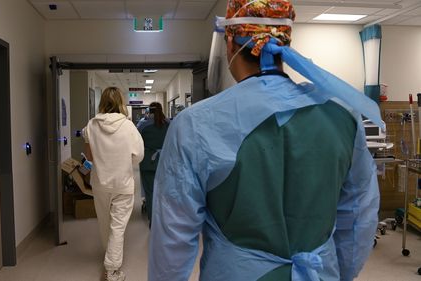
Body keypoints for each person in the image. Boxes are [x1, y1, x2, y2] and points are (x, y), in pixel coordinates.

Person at [148, 1, 381, 280]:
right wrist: (340, 272)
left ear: (230, 44)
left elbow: (173, 236)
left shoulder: (195, 125)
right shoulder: (342, 117)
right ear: (285, 43)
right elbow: (358, 218)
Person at [82, 87, 144, 281]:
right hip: (123, 184)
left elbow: (89, 157)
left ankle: (110, 257)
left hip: (100, 183)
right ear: (121, 103)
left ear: (102, 102)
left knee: (104, 223)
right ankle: (112, 269)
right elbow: (138, 156)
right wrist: (125, 163)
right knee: (118, 226)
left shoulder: (91, 125)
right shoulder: (129, 127)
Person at [136, 102, 169, 223]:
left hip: (148, 163)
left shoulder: (143, 125)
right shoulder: (169, 124)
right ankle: (164, 220)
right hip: (166, 162)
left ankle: (153, 220)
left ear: (149, 111)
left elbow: (136, 142)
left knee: (150, 192)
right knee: (165, 191)